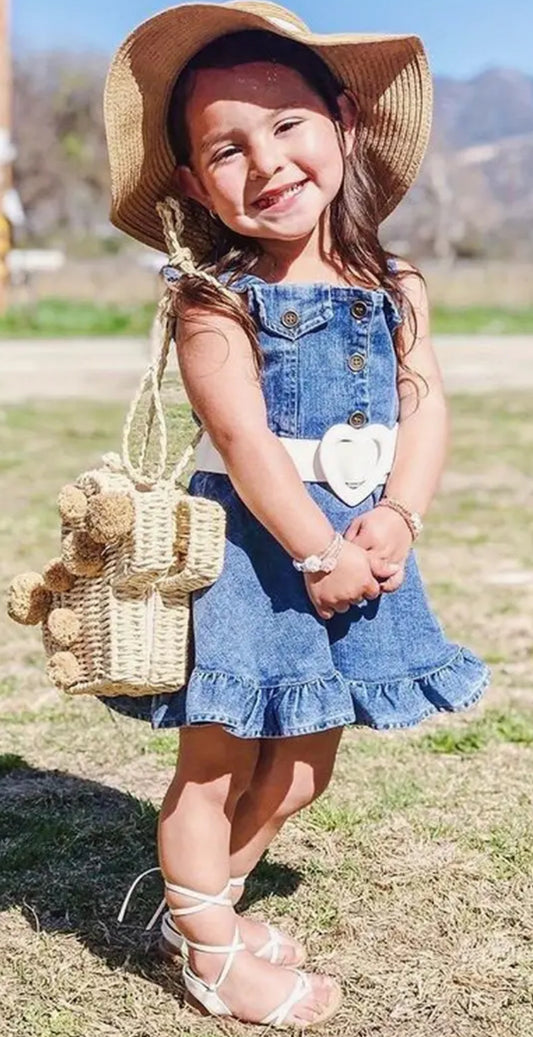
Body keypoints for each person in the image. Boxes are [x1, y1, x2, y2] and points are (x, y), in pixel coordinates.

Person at [104, 3, 490, 1028]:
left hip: (360, 550)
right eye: (225, 148)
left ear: (343, 124)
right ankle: (214, 953)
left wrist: (396, 517)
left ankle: (202, 914)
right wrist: (315, 545)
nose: (264, 162)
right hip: (255, 555)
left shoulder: (391, 284)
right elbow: (242, 442)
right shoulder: (213, 302)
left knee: (305, 765)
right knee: (217, 757)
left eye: (285, 127)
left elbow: (425, 405)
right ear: (192, 182)